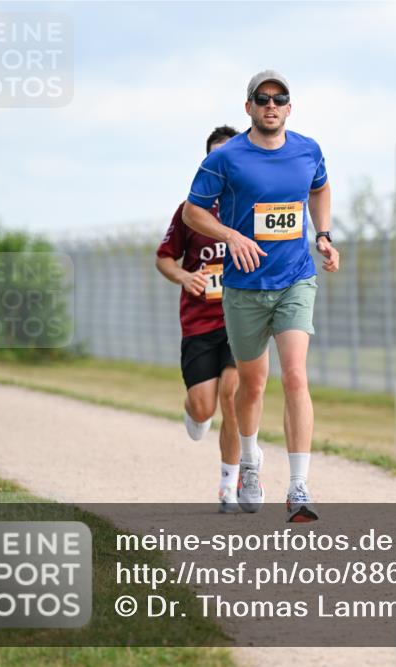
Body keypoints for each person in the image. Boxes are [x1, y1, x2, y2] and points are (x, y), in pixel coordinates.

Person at [182, 70, 339, 523]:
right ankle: (250, 463)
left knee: (294, 376)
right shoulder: (227, 158)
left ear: (290, 107)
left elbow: (320, 186)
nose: (271, 105)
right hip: (245, 287)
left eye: (279, 98)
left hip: (295, 279)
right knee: (251, 385)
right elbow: (193, 211)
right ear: (248, 107)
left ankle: (299, 487)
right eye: (262, 98)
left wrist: (323, 234)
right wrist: (231, 236)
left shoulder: (308, 149)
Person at [156, 124, 256, 513]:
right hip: (199, 322)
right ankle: (193, 409)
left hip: (241, 318)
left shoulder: (253, 206)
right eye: (217, 159)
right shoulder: (190, 211)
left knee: (232, 397)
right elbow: (164, 257)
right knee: (204, 408)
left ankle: (228, 487)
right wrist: (184, 276)